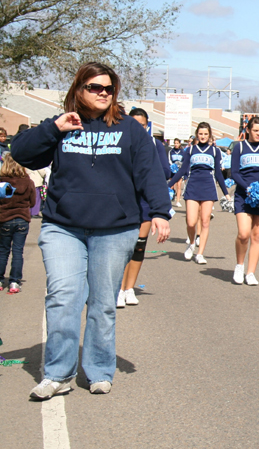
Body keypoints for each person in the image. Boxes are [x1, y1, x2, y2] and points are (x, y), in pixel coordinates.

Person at [13, 62, 171, 400]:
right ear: (78, 90)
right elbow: (21, 152)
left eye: (108, 88)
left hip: (114, 230)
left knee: (102, 303)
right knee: (63, 298)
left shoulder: (130, 130)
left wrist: (159, 212)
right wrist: (55, 128)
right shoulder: (62, 125)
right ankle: (57, 374)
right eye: (94, 87)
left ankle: (99, 370)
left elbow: (150, 173)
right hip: (63, 227)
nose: (102, 93)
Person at [117, 108, 171, 307]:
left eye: (142, 125)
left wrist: (147, 165)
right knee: (123, 247)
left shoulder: (154, 144)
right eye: (134, 124)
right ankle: (119, 288)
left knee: (138, 247)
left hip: (145, 201)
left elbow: (165, 171)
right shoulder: (120, 142)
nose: (138, 128)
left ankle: (129, 288)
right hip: (125, 199)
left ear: (147, 126)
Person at [168, 122, 229, 264]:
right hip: (193, 186)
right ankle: (191, 243)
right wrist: (169, 185)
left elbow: (219, 174)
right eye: (200, 134)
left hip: (208, 186)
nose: (203, 136)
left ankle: (200, 253)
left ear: (210, 135)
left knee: (205, 221)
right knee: (191, 221)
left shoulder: (215, 151)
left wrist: (226, 193)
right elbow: (182, 170)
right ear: (197, 134)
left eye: (206, 134)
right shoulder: (190, 150)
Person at [230, 116, 259, 285]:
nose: (258, 134)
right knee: (243, 234)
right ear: (248, 130)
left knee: (257, 236)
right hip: (243, 194)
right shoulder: (239, 147)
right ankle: (239, 265)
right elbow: (234, 172)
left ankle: (250, 273)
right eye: (255, 130)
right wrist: (248, 188)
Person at [0, 154, 36, 293]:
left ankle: (0, 279)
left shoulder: (2, 181)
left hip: (4, 219)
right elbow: (33, 202)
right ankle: (15, 281)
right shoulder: (27, 182)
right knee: (18, 251)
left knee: (3, 251)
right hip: (22, 218)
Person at [168, 138, 184, 207]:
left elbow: (184, 161)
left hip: (179, 171)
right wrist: (173, 165)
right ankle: (170, 200)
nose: (176, 144)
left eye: (177, 143)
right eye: (175, 143)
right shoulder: (171, 151)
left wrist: (180, 166)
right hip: (172, 170)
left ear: (179, 143)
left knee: (179, 185)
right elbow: (169, 160)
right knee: (171, 186)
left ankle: (178, 201)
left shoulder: (182, 151)